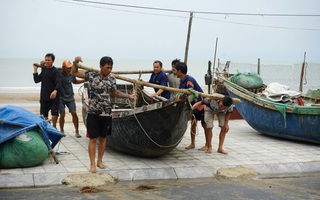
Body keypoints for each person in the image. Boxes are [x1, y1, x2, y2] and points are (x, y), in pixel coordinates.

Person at [71, 56, 137, 173]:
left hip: (106, 113)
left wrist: (129, 96)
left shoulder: (112, 78)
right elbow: (74, 72)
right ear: (100, 66)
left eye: (111, 67)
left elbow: (114, 92)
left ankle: (99, 161)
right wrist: (75, 63)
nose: (109, 70)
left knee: (103, 138)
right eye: (107, 67)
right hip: (93, 112)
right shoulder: (92, 75)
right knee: (93, 138)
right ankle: (92, 164)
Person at [174, 62, 207, 150]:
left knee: (205, 124)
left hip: (200, 104)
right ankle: (193, 143)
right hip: (192, 106)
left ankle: (208, 145)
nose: (175, 73)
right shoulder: (181, 80)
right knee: (193, 123)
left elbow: (192, 95)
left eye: (176, 71)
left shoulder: (189, 80)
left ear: (180, 71)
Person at [58, 59, 86, 138]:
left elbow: (75, 81)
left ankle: (77, 131)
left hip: (70, 97)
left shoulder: (71, 74)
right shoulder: (59, 73)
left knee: (74, 113)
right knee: (62, 114)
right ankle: (62, 130)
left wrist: (84, 80)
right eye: (67, 68)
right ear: (63, 68)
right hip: (61, 97)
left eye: (70, 68)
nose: (69, 70)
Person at [33, 53, 61, 128]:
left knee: (54, 114)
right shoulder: (44, 70)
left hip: (54, 97)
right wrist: (35, 70)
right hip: (44, 97)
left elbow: (59, 82)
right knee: (43, 116)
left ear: (53, 61)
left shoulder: (55, 71)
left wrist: (55, 91)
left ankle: (54, 127)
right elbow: (36, 80)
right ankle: (46, 128)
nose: (47, 61)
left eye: (49, 60)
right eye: (46, 60)